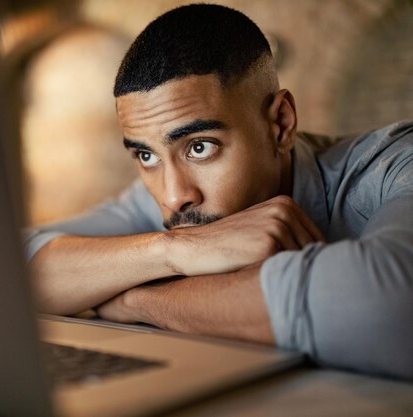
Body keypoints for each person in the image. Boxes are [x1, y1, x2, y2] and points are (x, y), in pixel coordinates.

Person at [23, 4, 413, 380]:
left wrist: (136, 299)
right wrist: (171, 251)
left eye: (199, 147)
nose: (174, 197)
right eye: (146, 155)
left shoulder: (396, 165)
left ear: (280, 124)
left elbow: (387, 307)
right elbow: (8, 266)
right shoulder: (171, 197)